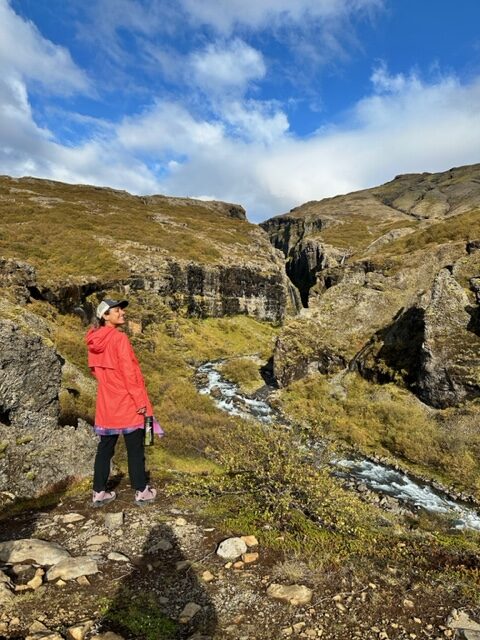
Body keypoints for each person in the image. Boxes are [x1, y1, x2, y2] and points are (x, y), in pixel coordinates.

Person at [86, 298, 161, 507]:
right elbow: (129, 373)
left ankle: (99, 492)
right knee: (135, 448)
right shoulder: (119, 339)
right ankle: (141, 491)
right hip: (128, 402)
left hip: (107, 402)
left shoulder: (93, 340)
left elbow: (95, 371)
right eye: (117, 311)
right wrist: (140, 402)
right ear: (105, 316)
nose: (122, 313)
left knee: (105, 448)